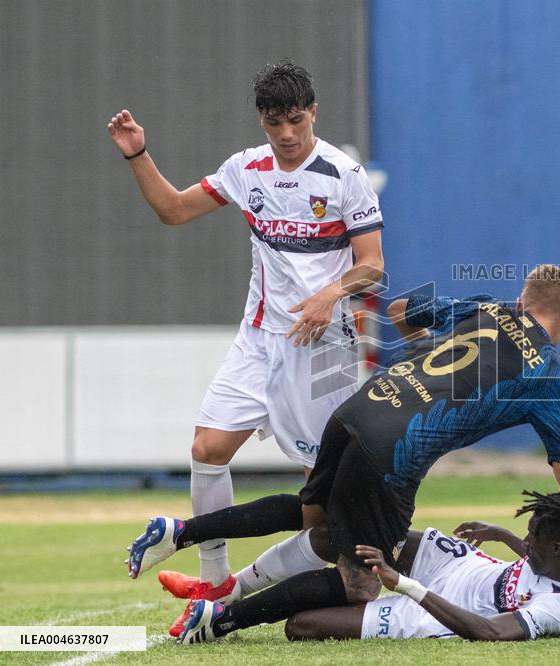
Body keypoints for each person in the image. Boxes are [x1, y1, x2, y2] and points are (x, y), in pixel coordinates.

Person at [126, 265, 560, 635]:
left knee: (316, 517)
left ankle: (182, 531)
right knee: (361, 582)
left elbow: (400, 309)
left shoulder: (487, 308)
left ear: (522, 302)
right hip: (394, 453)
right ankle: (219, 621)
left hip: (358, 410)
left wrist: (417, 347)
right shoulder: (549, 383)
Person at [107, 59, 385, 628]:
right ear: (261, 120)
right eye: (273, 122)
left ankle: (243, 591)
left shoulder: (343, 175)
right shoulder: (246, 168)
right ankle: (212, 580)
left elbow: (373, 267)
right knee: (208, 449)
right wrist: (138, 154)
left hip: (326, 348)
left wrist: (330, 293)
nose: (286, 134)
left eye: (295, 120)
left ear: (314, 113)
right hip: (259, 339)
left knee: (319, 514)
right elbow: (174, 210)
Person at [178, 486, 560, 644]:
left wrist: (401, 583)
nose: (526, 543)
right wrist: (502, 535)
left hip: (432, 612)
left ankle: (218, 622)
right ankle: (225, 602)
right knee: (345, 529)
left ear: (558, 549)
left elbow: (489, 632)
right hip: (458, 560)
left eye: (533, 538)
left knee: (301, 626)